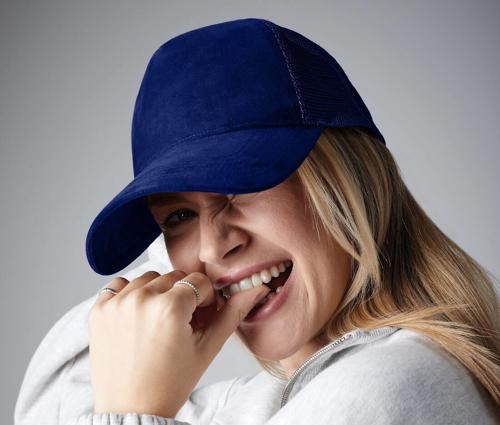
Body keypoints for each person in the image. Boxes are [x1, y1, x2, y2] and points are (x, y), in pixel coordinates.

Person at [14, 17, 500, 425]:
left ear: (346, 183)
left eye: (240, 187)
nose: (211, 247)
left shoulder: (384, 385)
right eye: (178, 216)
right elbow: (56, 409)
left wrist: (134, 413)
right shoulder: (272, 398)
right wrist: (175, 283)